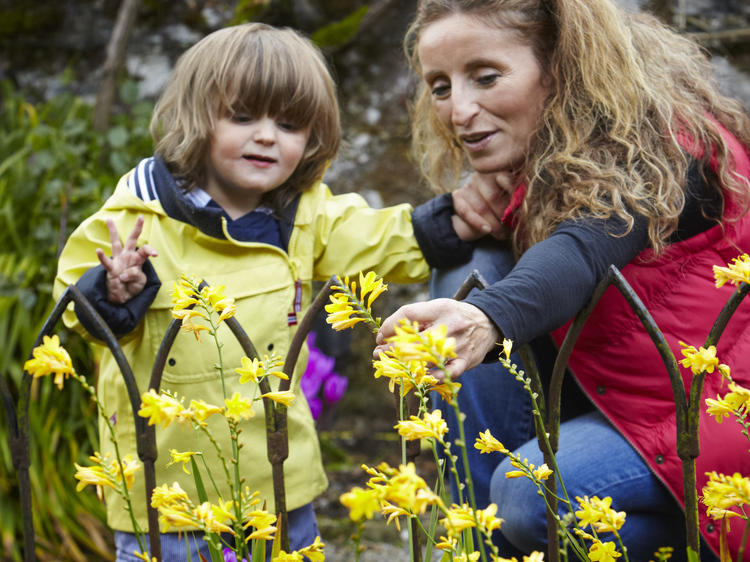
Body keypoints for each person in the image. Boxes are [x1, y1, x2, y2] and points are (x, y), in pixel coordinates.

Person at [54, 23, 473, 562]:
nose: (268, 136)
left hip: (279, 485)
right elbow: (71, 310)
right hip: (167, 496)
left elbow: (377, 237)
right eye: (243, 116)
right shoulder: (137, 220)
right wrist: (113, 289)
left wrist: (452, 221)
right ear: (197, 118)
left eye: (290, 123)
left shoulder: (303, 213)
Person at [380, 1, 750, 560]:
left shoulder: (669, 150)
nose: (458, 109)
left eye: (485, 77)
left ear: (562, 65)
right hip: (627, 399)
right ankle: (484, 544)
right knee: (472, 268)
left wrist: (488, 318)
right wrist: (451, 216)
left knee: (526, 494)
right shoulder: (544, 160)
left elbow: (584, 248)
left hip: (713, 408)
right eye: (440, 86)